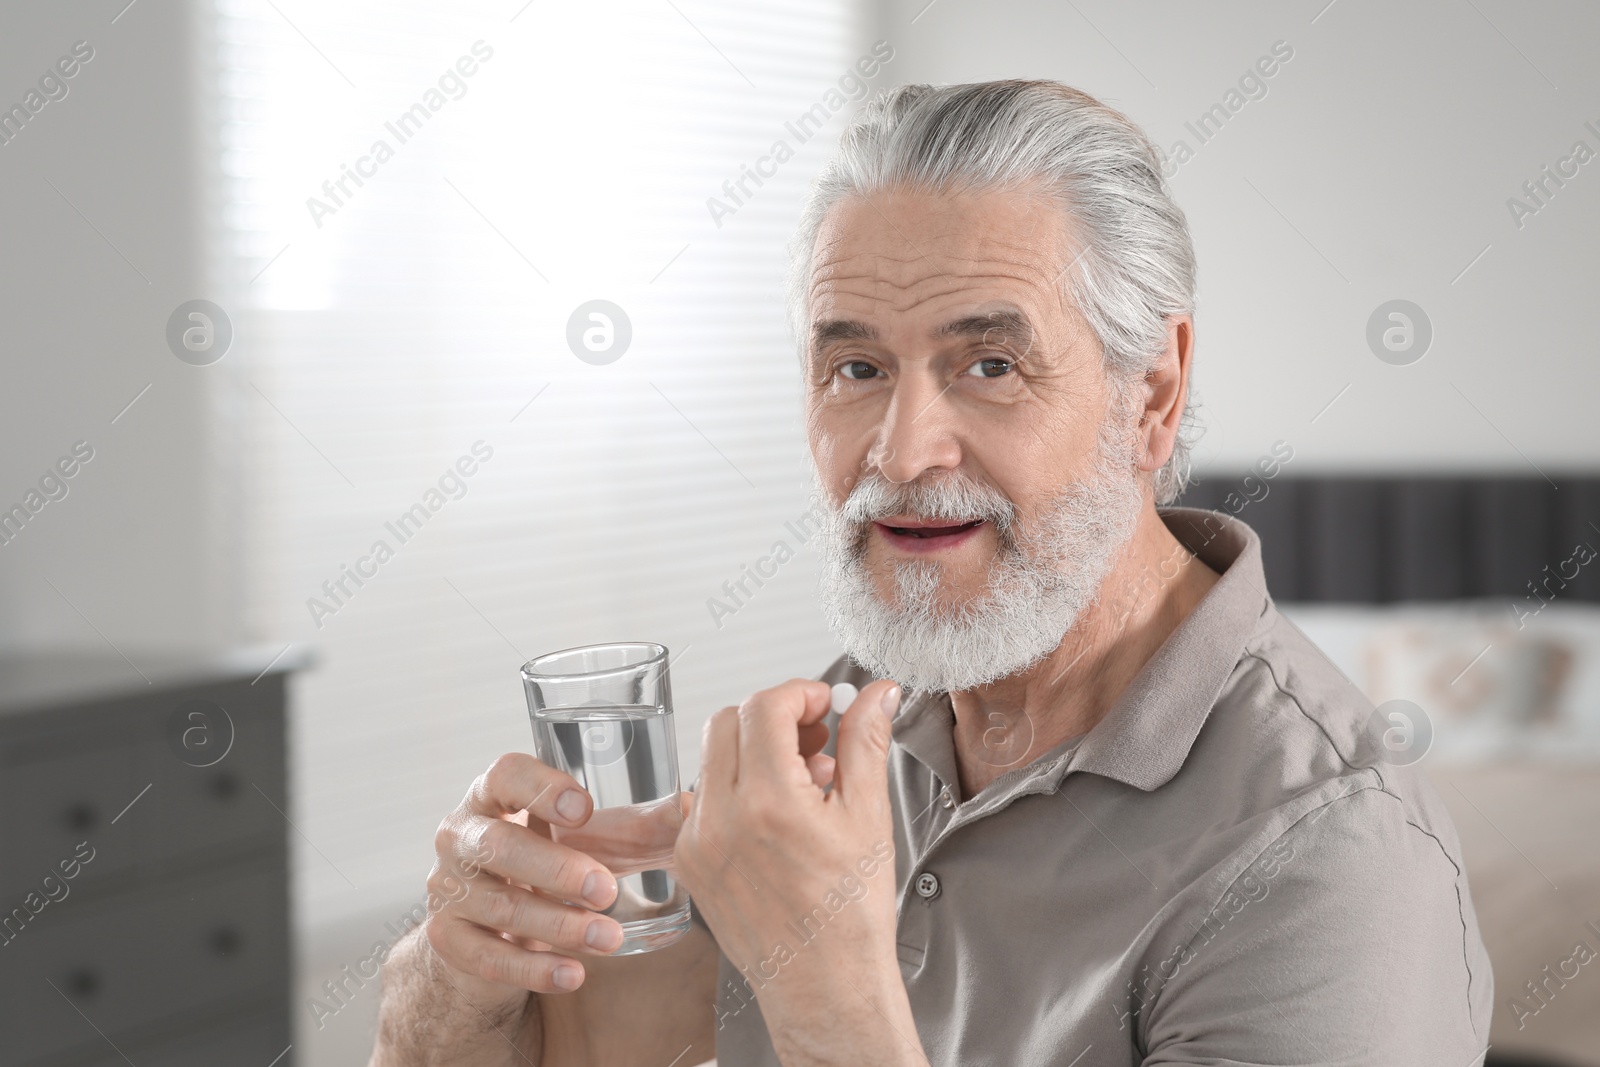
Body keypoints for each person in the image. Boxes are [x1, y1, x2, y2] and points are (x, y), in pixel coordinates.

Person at [369, 80, 1492, 1066]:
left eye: (991, 365)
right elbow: (614, 1046)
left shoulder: (1333, 862)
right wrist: (456, 988)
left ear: (1149, 395)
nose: (901, 455)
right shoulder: (871, 698)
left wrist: (824, 982)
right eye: (855, 365)